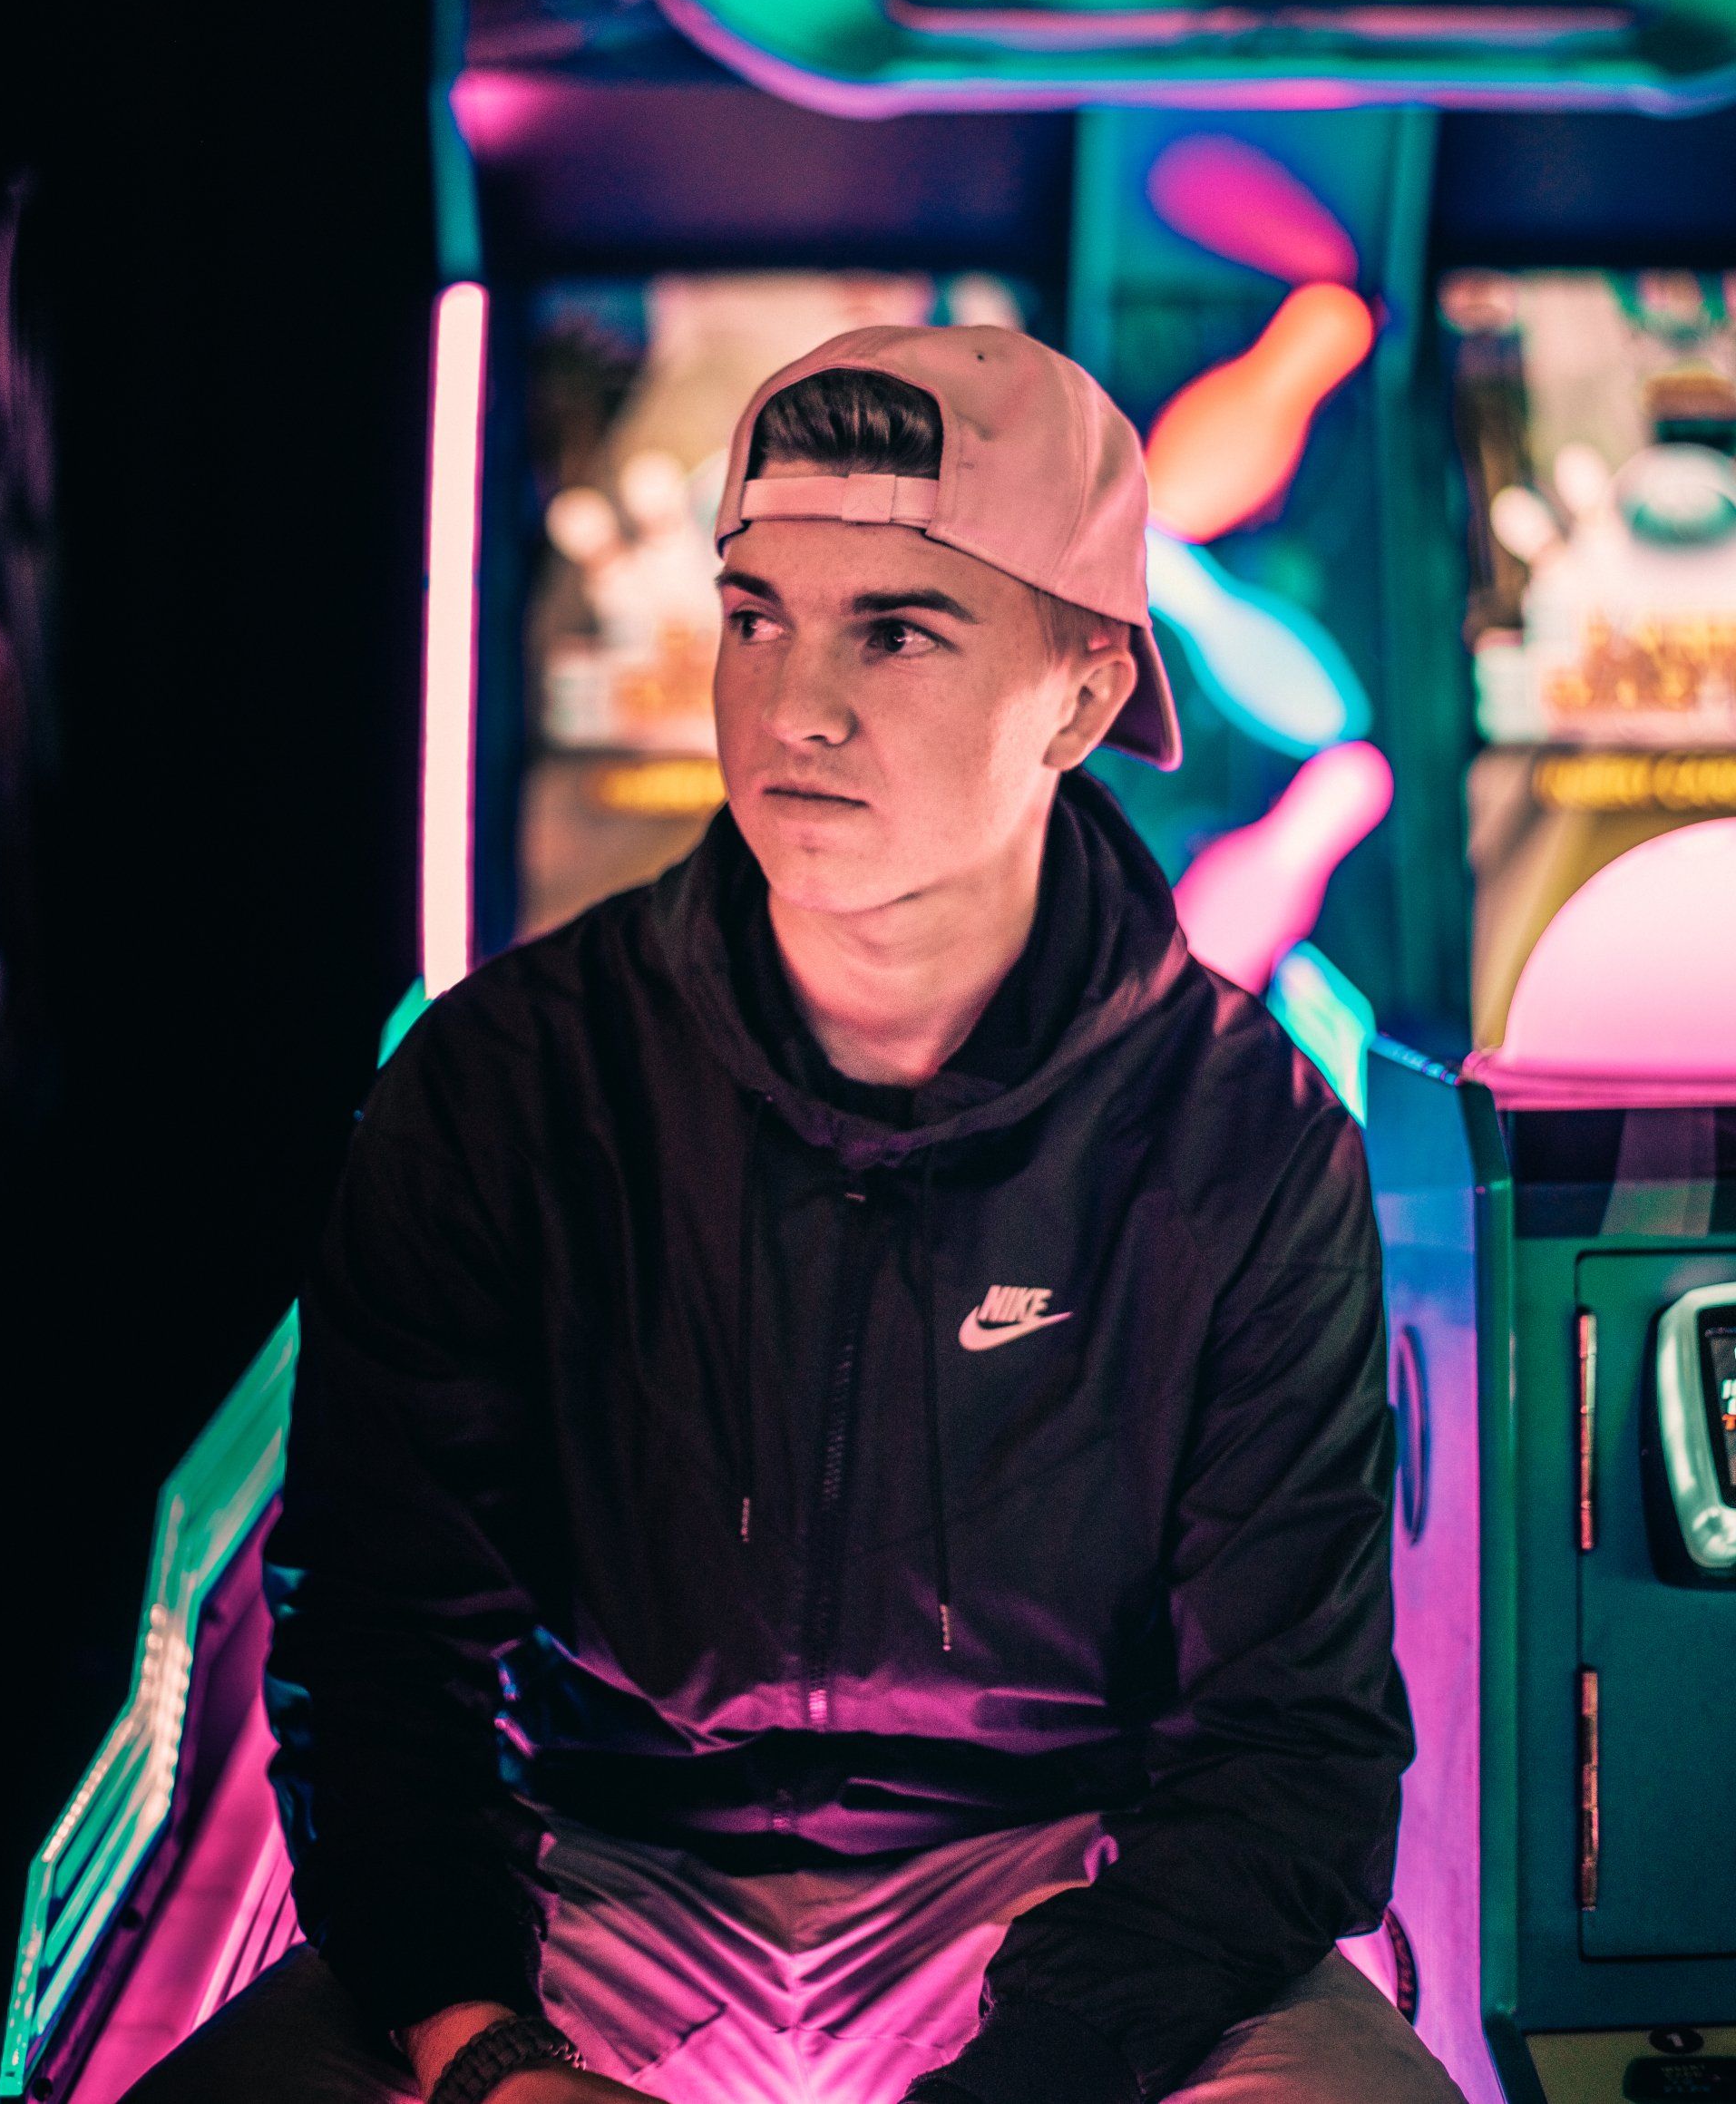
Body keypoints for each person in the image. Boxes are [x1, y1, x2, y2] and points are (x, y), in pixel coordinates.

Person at [128, 326, 1463, 2104]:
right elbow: (379, 1646)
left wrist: (1040, 2068)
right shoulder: (505, 1080)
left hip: (1067, 1886)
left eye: (895, 631)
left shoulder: (1240, 1130)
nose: (793, 703)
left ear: (1079, 693)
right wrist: (480, 2043)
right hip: (581, 1873)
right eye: (755, 612)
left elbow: (1292, 1744)